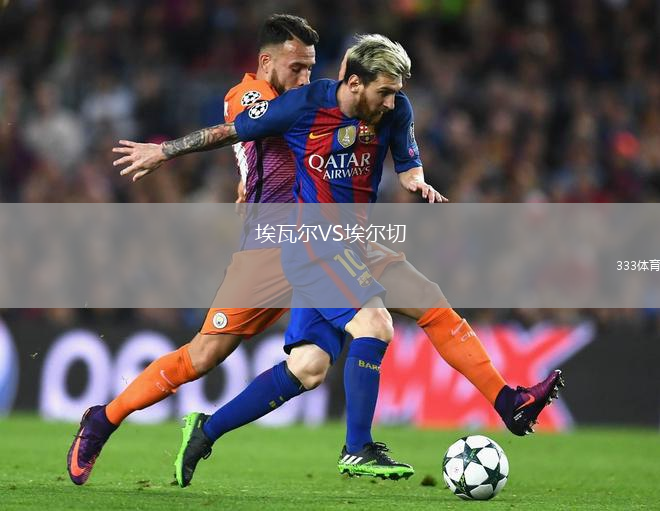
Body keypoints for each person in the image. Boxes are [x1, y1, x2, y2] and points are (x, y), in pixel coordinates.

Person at [113, 32, 564, 489]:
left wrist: (415, 180)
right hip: (314, 245)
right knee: (375, 324)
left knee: (314, 364)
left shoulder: (396, 110)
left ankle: (205, 432)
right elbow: (229, 131)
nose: (391, 102)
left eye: (396, 92)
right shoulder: (303, 106)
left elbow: (408, 162)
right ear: (353, 83)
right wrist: (164, 151)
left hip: (358, 244)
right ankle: (357, 447)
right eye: (383, 92)